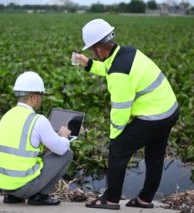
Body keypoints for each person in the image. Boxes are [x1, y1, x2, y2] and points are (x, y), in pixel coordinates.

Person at [73, 19, 180, 210]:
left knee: (118, 150)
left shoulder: (118, 73)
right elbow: (109, 68)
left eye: (91, 51)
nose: (92, 53)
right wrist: (88, 64)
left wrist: (115, 138)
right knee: (154, 156)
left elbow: (120, 111)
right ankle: (144, 199)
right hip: (169, 110)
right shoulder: (126, 52)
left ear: (98, 48)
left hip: (154, 116)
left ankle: (111, 199)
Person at [0, 71, 73, 206]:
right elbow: (61, 149)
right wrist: (64, 136)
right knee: (67, 154)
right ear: (34, 97)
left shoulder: (7, 116)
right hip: (23, 187)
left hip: (2, 184)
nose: (42, 98)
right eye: (41, 95)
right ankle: (40, 196)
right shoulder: (38, 120)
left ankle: (12, 196)